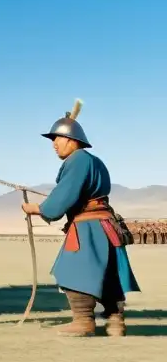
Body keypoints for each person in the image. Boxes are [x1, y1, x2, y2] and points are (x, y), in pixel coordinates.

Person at [21, 104, 139, 336]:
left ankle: (83, 321)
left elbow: (64, 195)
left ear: (72, 139)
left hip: (87, 227)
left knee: (73, 269)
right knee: (108, 273)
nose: (54, 144)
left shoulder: (77, 160)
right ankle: (116, 323)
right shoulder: (94, 161)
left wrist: (36, 208)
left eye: (58, 139)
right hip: (105, 225)